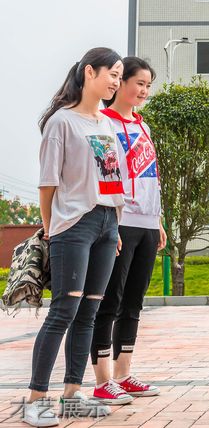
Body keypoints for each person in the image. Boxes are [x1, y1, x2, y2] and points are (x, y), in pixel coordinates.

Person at [24, 48, 124, 427]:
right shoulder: (62, 123)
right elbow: (48, 182)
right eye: (111, 74)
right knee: (63, 312)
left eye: (119, 75)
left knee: (90, 313)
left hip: (106, 224)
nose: (115, 81)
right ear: (89, 72)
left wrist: (114, 225)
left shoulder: (106, 123)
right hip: (73, 225)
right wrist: (51, 230)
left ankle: (72, 394)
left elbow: (114, 179)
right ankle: (35, 399)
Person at [90, 57, 166, 404]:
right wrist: (110, 224)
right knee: (110, 300)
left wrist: (159, 222)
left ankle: (124, 372)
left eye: (148, 85)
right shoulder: (101, 123)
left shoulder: (144, 127)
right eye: (139, 83)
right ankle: (102, 379)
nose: (144, 90)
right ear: (119, 83)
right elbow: (104, 176)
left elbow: (152, 176)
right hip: (119, 222)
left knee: (134, 302)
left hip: (147, 224)